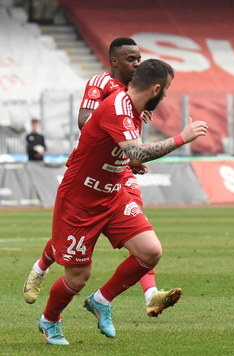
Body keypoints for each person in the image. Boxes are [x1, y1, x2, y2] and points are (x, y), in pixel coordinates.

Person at [37, 58, 208, 345]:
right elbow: (136, 152)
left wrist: (128, 163)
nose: (165, 96)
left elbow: (122, 151)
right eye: (165, 91)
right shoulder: (118, 107)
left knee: (150, 251)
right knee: (78, 277)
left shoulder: (134, 109)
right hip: (80, 199)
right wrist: (181, 138)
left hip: (112, 194)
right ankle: (49, 320)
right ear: (155, 89)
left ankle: (101, 300)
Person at [24, 38, 181, 318]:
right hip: (89, 170)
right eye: (131, 59)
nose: (137, 64)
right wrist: (118, 121)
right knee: (70, 244)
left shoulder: (139, 94)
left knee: (141, 229)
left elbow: (132, 145)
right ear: (115, 62)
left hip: (119, 170)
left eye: (139, 58)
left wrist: (130, 157)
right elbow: (85, 121)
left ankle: (147, 293)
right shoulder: (105, 86)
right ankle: (40, 268)